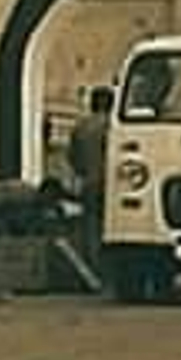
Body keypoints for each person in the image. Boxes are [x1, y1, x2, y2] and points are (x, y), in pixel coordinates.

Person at [67, 85, 114, 270]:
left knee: (91, 227)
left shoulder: (81, 127)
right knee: (111, 227)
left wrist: (85, 171)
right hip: (112, 184)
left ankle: (92, 267)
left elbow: (73, 158)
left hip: (89, 182)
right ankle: (109, 267)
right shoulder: (113, 126)